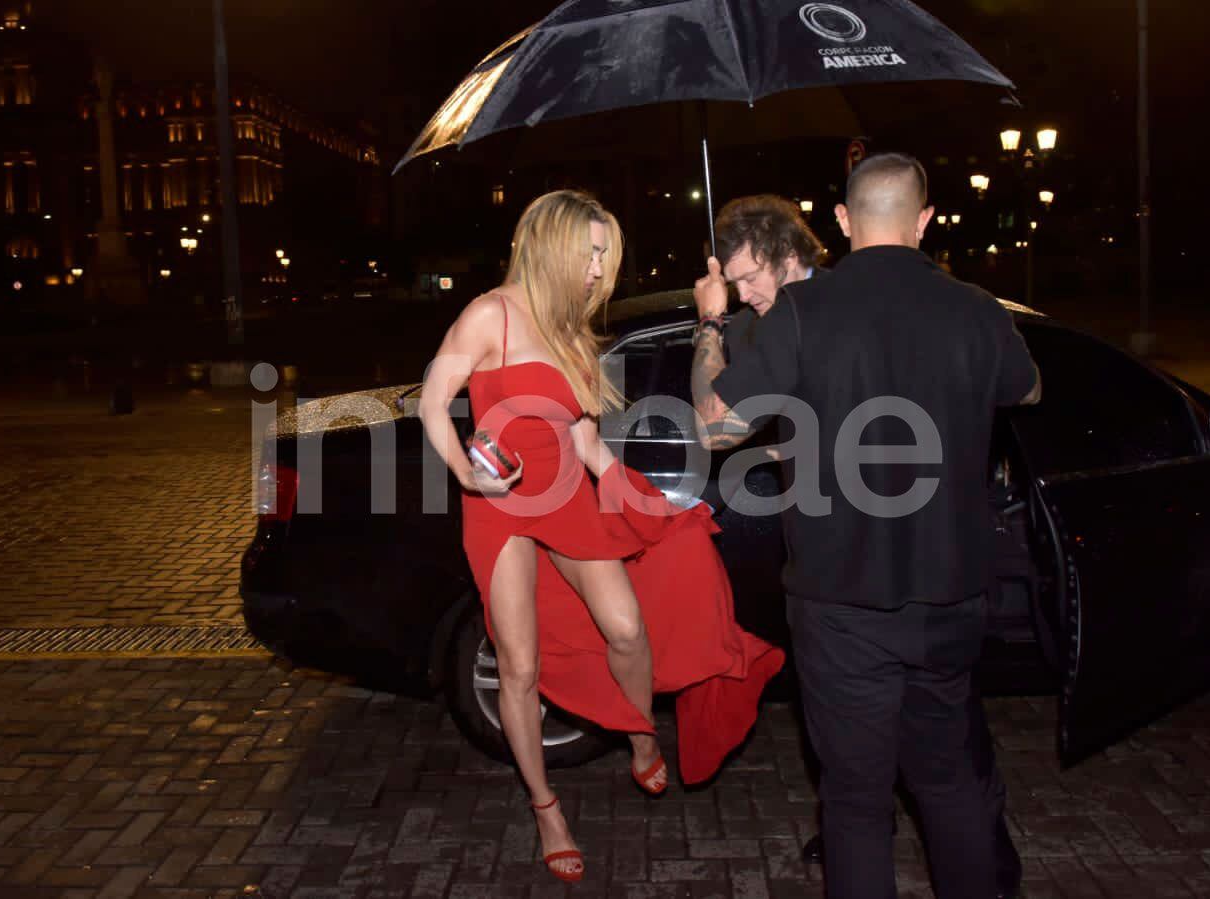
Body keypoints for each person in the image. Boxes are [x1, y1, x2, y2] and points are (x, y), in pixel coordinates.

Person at [690, 155, 1041, 898]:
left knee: (854, 802)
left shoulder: (800, 312)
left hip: (840, 601)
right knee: (948, 784)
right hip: (949, 597)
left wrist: (711, 322)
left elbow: (715, 427)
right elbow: (1029, 386)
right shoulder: (978, 307)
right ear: (923, 220)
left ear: (843, 221)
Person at [418, 189, 784, 884]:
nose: (596, 269)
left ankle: (639, 731)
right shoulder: (488, 312)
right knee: (520, 667)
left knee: (624, 627)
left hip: (565, 496)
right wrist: (467, 472)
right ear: (549, 243)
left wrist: (626, 487)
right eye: (589, 252)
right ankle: (546, 806)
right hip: (498, 506)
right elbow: (435, 400)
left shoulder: (570, 328)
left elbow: (582, 434)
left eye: (602, 256)